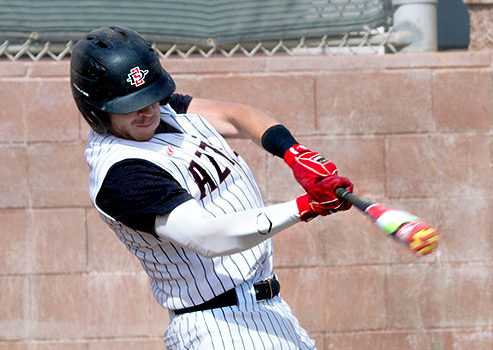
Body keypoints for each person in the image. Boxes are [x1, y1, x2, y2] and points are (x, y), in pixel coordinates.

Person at [70, 26, 352, 349]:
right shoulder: (121, 174)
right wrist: (303, 207)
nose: (147, 110)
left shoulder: (164, 111)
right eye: (131, 104)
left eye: (150, 96)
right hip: (219, 327)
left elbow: (236, 116)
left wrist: (292, 152)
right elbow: (207, 236)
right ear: (98, 110)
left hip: (267, 311)